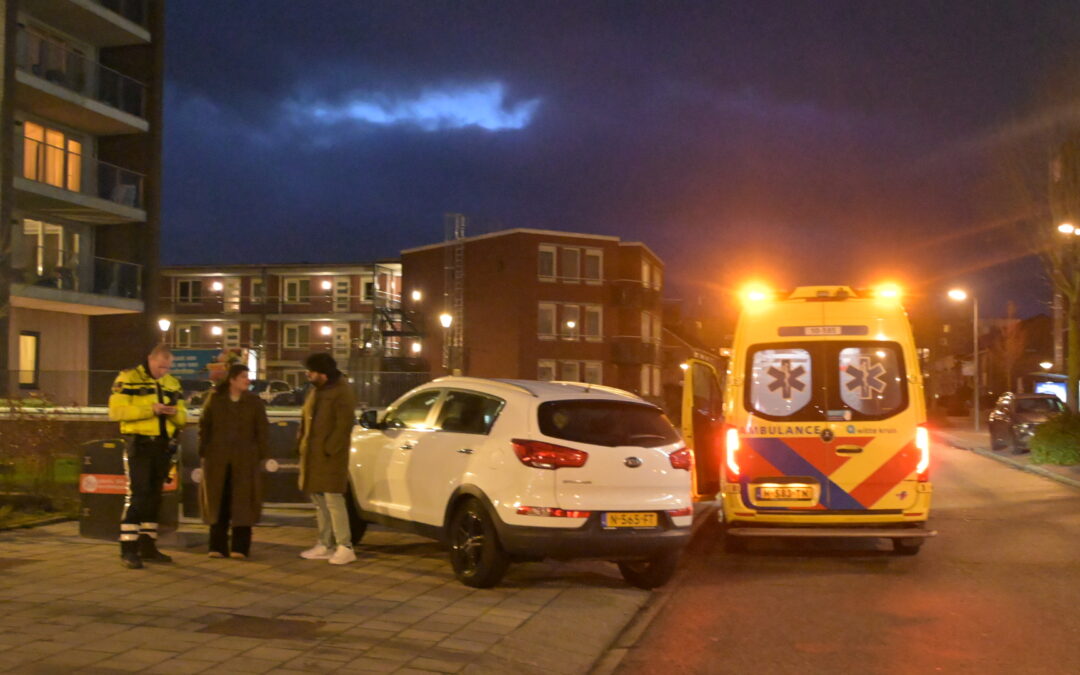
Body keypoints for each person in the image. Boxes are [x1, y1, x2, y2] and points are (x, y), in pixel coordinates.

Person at [108, 343, 187, 569]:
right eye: (161, 367)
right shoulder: (128, 378)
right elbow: (116, 412)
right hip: (140, 444)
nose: (164, 372)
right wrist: (151, 410)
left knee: (155, 496)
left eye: (167, 367)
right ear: (150, 360)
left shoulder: (172, 383)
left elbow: (182, 417)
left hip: (163, 446)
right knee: (140, 494)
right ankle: (128, 549)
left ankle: (148, 545)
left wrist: (173, 414)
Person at [198, 364, 269, 559]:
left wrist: (260, 455)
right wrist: (204, 451)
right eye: (243, 376)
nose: (247, 380)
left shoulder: (254, 402)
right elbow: (205, 426)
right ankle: (217, 546)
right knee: (219, 500)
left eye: (248, 376)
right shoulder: (215, 400)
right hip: (218, 459)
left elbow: (262, 430)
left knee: (243, 502)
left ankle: (240, 547)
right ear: (232, 379)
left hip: (245, 460)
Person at [297, 352, 357, 565]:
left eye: (311, 371)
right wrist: (302, 441)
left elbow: (343, 425)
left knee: (333, 499)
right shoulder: (316, 391)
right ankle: (325, 543)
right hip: (314, 455)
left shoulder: (341, 391)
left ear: (322, 373)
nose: (308, 374)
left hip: (330, 456)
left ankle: (345, 545)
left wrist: (330, 449)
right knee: (319, 500)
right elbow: (306, 419)